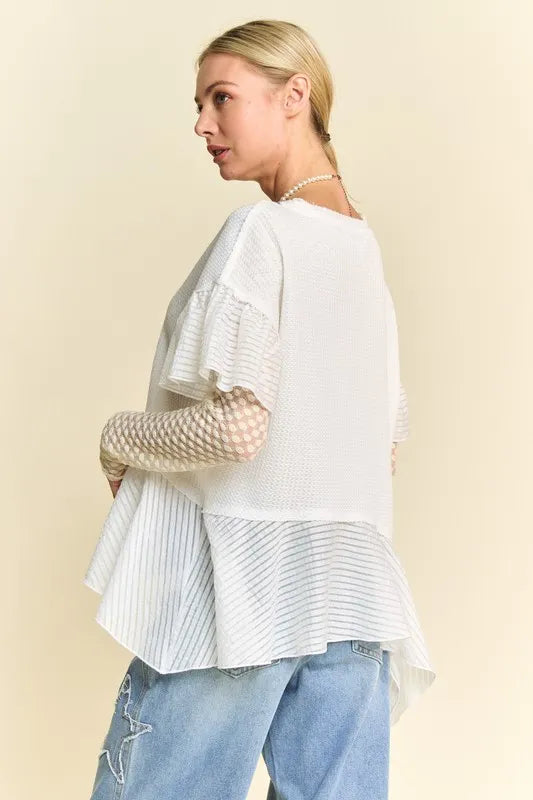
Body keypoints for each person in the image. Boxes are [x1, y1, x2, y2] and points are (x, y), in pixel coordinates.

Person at [84, 18, 436, 800]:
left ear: (293, 96)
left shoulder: (262, 232)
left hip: (242, 596)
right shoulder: (361, 248)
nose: (202, 125)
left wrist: (118, 439)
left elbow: (239, 427)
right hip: (351, 597)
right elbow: (386, 437)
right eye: (199, 105)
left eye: (221, 98)